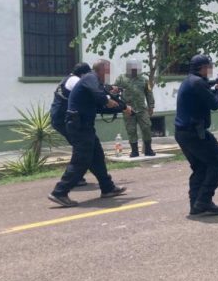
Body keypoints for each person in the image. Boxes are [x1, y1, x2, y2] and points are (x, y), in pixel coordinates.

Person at [48, 59, 129, 207]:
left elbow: (99, 106)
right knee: (82, 158)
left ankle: (107, 187)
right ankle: (59, 192)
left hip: (84, 125)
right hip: (78, 125)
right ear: (100, 70)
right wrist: (107, 99)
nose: (108, 75)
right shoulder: (89, 78)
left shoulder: (91, 82)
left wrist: (121, 108)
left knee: (97, 156)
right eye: (107, 71)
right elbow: (100, 97)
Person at [174, 54, 218, 216]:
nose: (210, 70)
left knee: (200, 168)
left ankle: (196, 205)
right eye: (209, 66)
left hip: (184, 133)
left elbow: (209, 97)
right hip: (195, 133)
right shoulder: (198, 82)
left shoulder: (191, 81)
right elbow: (214, 103)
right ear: (203, 67)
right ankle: (204, 200)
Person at [50, 62, 92, 186]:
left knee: (79, 145)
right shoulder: (75, 80)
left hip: (61, 118)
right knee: (80, 146)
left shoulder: (69, 79)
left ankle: (76, 176)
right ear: (83, 74)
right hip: (64, 120)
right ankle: (72, 178)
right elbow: (88, 92)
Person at [115, 59, 156, 157]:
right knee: (131, 130)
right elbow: (114, 91)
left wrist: (151, 106)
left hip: (142, 109)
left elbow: (149, 93)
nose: (134, 70)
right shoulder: (121, 79)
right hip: (128, 110)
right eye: (132, 68)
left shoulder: (144, 80)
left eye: (136, 68)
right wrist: (118, 105)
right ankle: (134, 151)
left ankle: (148, 149)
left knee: (146, 127)